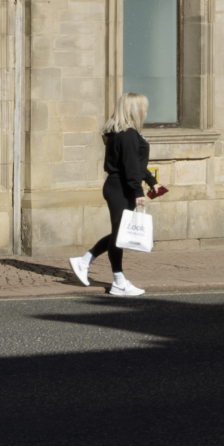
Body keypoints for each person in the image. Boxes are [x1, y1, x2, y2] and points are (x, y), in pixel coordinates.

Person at [71, 91, 155, 298]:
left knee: (120, 233)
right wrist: (138, 191)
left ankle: (85, 261)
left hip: (119, 186)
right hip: (121, 188)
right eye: (143, 107)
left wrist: (152, 182)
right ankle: (118, 280)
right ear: (135, 109)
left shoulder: (123, 133)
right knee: (120, 235)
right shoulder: (127, 134)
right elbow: (131, 167)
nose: (146, 110)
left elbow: (135, 164)